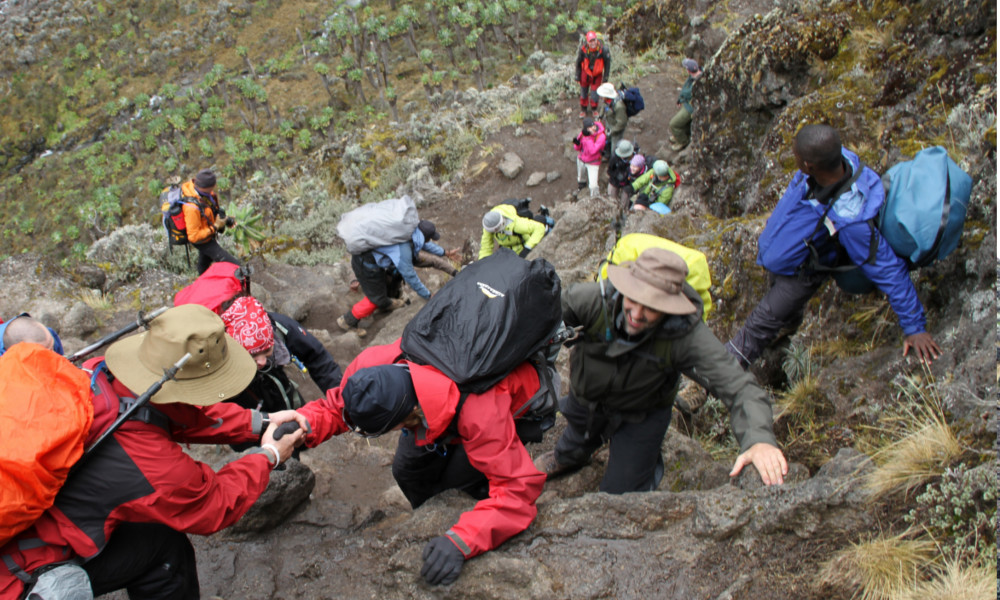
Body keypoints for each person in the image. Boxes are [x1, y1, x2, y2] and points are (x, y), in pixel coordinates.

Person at [0, 304, 307, 599]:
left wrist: (259, 421)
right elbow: (215, 504)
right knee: (164, 549)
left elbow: (169, 410)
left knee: (155, 536)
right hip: (14, 574)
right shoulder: (151, 465)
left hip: (24, 528)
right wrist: (269, 455)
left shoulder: (98, 374)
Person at [280, 337, 545, 586]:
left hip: (503, 406)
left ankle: (478, 506)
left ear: (409, 415)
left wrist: (462, 541)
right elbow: (339, 408)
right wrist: (303, 426)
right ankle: (431, 514)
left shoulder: (480, 413)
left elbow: (518, 490)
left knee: (457, 483)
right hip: (437, 409)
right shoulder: (373, 367)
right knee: (406, 470)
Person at [534, 248, 788, 493]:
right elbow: (540, 318)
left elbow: (738, 386)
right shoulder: (591, 299)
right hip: (588, 395)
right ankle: (568, 456)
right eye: (633, 299)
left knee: (622, 495)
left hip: (641, 413)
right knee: (577, 437)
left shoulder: (685, 335)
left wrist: (759, 439)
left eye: (651, 307)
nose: (636, 313)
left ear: (670, 306)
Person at [726, 124, 942, 368]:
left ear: (809, 166)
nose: (793, 157)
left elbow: (888, 269)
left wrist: (915, 328)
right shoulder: (833, 163)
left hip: (804, 270)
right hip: (785, 256)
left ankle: (711, 382)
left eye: (796, 155)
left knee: (757, 327)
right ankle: (786, 325)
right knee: (777, 309)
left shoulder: (851, 221)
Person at [219, 295, 343, 413]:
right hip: (249, 408)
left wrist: (341, 397)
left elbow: (316, 357)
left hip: (282, 390)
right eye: (252, 356)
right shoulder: (218, 359)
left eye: (267, 350)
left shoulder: (279, 327)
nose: (262, 361)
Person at [338, 221, 443, 338]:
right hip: (367, 265)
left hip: (368, 260)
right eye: (429, 238)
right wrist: (428, 295)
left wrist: (445, 252)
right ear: (425, 237)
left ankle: (385, 303)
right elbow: (411, 277)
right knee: (377, 299)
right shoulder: (405, 250)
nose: (429, 241)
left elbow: (425, 244)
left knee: (382, 289)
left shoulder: (409, 233)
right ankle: (348, 321)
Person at [179, 169, 242, 274]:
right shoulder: (192, 208)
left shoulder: (204, 194)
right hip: (202, 239)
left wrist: (225, 220)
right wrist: (215, 227)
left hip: (207, 232)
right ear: (207, 186)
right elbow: (193, 236)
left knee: (204, 263)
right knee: (234, 265)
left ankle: (202, 282)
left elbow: (210, 210)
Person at [479, 204, 548, 260]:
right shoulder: (489, 226)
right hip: (507, 251)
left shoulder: (516, 224)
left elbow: (539, 228)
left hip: (522, 247)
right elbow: (486, 247)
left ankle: (543, 216)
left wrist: (527, 248)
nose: (493, 232)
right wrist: (483, 264)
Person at [575, 31, 611, 118]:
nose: (593, 43)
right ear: (587, 42)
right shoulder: (583, 50)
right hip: (585, 73)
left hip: (597, 74)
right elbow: (578, 63)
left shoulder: (603, 50)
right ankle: (583, 109)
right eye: (590, 41)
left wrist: (605, 78)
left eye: (594, 40)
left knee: (595, 93)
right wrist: (577, 76)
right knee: (583, 92)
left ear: (596, 39)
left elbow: (607, 64)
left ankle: (594, 109)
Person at [669, 58, 702, 151]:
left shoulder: (698, 82)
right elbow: (684, 89)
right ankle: (681, 135)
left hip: (691, 107)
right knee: (683, 123)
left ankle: (683, 141)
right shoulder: (693, 76)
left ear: (688, 70)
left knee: (673, 124)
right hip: (687, 104)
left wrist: (681, 99)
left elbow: (687, 92)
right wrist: (680, 99)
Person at [573, 118, 606, 198]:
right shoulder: (583, 133)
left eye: (590, 128)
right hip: (582, 159)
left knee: (593, 185)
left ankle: (594, 199)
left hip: (593, 162)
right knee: (581, 177)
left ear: (594, 126)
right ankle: (581, 188)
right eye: (587, 128)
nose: (589, 130)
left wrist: (587, 138)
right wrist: (577, 144)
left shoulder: (601, 136)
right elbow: (577, 148)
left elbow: (593, 151)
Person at [597, 82, 628, 162]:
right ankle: (607, 155)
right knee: (607, 141)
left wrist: (612, 131)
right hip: (609, 124)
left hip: (616, 129)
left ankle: (614, 163)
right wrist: (600, 116)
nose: (600, 96)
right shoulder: (607, 101)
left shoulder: (619, 106)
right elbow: (603, 107)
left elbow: (621, 123)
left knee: (615, 147)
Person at [606, 140, 638, 210]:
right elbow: (609, 171)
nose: (623, 157)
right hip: (615, 181)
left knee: (624, 204)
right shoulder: (614, 158)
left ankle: (623, 213)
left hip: (628, 183)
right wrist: (617, 175)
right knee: (611, 201)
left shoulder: (635, 158)